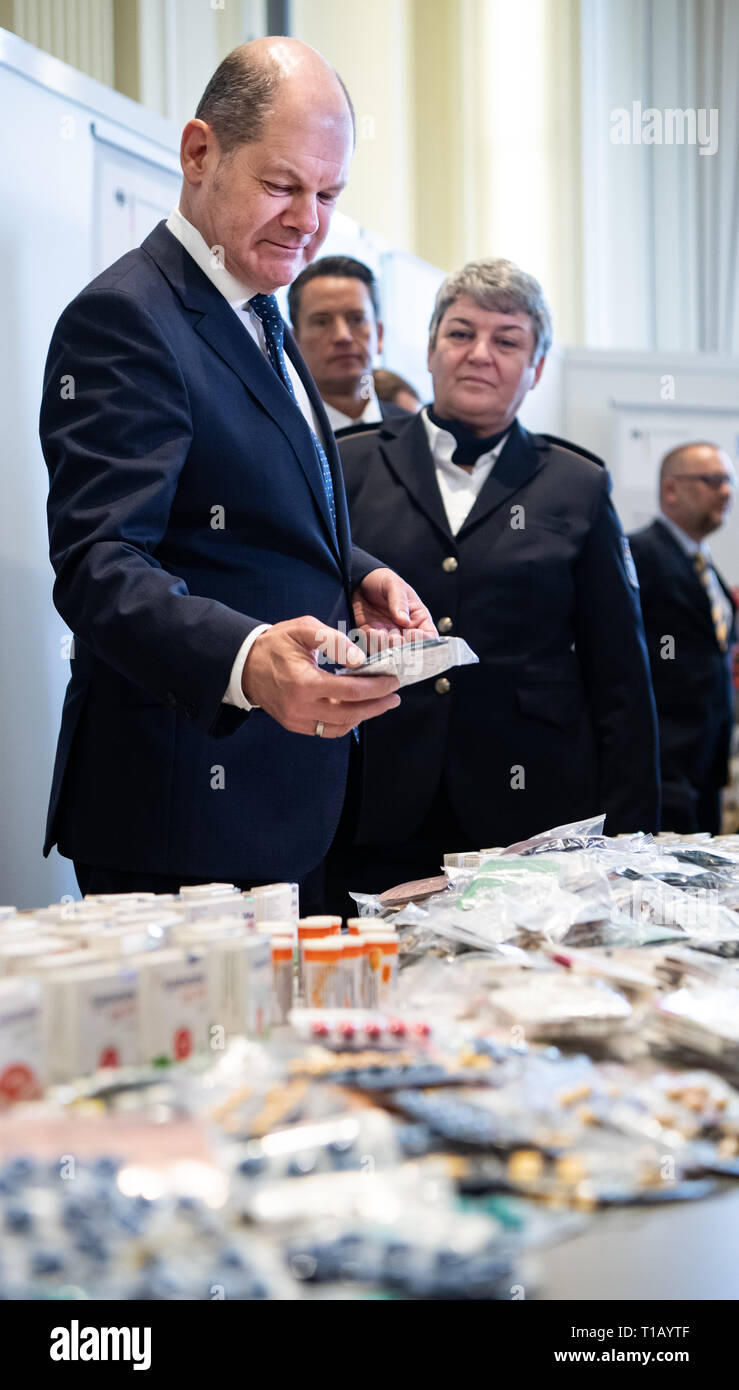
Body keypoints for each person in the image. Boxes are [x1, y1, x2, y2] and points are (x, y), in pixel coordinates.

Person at [39, 37, 435, 907]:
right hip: (180, 810)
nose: (308, 220)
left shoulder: (259, 311)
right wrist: (249, 655)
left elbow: (250, 503)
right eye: (282, 185)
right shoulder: (127, 317)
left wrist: (354, 571)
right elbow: (101, 565)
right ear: (198, 153)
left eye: (328, 195)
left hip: (288, 799)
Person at [325, 258, 660, 908]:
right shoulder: (351, 463)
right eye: (459, 333)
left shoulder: (577, 484)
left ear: (535, 368)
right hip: (372, 800)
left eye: (506, 340)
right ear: (428, 349)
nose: (479, 354)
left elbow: (619, 677)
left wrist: (629, 841)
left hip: (530, 809)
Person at [629, 444, 737, 835]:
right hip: (664, 763)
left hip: (705, 763)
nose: (726, 492)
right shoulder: (640, 553)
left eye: (728, 481)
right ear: (671, 490)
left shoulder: (703, 562)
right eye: (712, 481)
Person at [288, 255, 412, 433]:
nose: (342, 336)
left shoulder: (416, 435)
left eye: (357, 319)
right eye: (322, 322)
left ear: (379, 335)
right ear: (295, 342)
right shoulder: (281, 439)